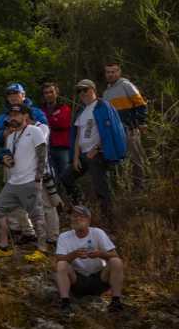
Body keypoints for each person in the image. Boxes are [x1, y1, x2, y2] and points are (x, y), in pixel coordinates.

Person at [0, 104, 49, 262]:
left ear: (25, 116)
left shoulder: (34, 131)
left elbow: (42, 153)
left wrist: (38, 178)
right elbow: (10, 157)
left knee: (37, 215)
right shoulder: (11, 136)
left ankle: (42, 249)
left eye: (16, 114)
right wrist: (6, 160)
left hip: (30, 180)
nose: (12, 118)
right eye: (10, 115)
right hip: (13, 181)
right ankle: (4, 247)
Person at [64, 79, 127, 223]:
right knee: (66, 177)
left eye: (85, 90)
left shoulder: (102, 106)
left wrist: (97, 149)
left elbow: (109, 130)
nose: (82, 93)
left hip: (97, 154)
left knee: (101, 188)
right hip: (82, 155)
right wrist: (75, 157)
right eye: (79, 91)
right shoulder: (81, 111)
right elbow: (78, 135)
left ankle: (109, 220)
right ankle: (80, 208)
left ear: (93, 89)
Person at [54, 205, 125, 314]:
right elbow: (59, 259)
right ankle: (65, 302)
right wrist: (74, 255)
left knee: (116, 262)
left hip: (99, 278)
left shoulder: (97, 232)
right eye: (74, 216)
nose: (77, 219)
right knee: (61, 264)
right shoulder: (64, 236)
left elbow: (114, 255)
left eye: (81, 216)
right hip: (77, 280)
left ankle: (116, 301)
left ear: (88, 220)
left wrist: (100, 254)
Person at [102, 62, 148, 190]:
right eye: (108, 72)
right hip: (116, 132)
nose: (110, 74)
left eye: (113, 72)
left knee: (135, 158)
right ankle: (126, 188)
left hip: (130, 128)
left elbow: (141, 104)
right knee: (122, 161)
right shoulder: (106, 93)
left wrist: (141, 122)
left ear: (119, 72)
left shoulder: (126, 85)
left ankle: (140, 187)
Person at [0, 83, 47, 150]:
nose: (12, 97)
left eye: (16, 93)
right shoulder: (2, 117)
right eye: (9, 94)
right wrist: (4, 133)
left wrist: (23, 128)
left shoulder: (36, 112)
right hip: (10, 156)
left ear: (23, 95)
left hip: (32, 153)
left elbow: (44, 133)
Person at [40, 83, 73, 191]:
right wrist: (53, 120)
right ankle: (60, 204)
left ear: (56, 93)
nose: (49, 95)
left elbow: (63, 123)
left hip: (62, 146)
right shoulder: (41, 110)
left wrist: (47, 122)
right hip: (48, 147)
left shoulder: (65, 108)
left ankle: (75, 200)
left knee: (66, 175)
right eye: (46, 93)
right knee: (53, 178)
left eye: (51, 92)